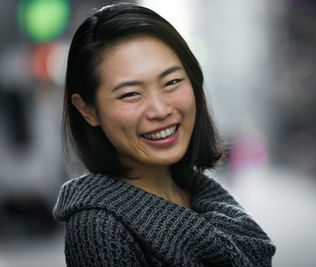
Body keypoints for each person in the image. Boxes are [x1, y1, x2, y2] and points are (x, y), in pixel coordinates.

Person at [53, 3, 276, 266]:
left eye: (172, 82)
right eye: (130, 94)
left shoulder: (210, 201)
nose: (160, 110)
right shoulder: (99, 228)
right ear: (88, 110)